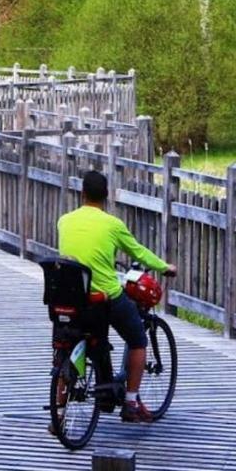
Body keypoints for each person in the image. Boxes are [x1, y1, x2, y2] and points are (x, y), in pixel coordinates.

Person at [58, 169, 176, 423]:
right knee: (137, 340)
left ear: (82, 194)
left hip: (69, 298)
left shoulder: (64, 221)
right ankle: (131, 403)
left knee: (64, 346)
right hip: (103, 298)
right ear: (107, 196)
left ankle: (58, 413)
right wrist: (165, 267)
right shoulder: (112, 225)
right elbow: (138, 252)